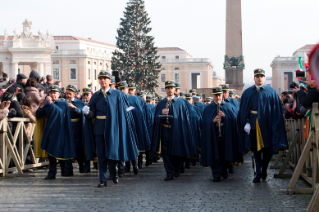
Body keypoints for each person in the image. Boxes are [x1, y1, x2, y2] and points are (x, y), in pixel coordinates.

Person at [84, 70, 139, 187]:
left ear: (110, 81)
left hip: (113, 129)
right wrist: (86, 113)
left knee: (113, 153)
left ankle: (114, 173)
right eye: (101, 78)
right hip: (99, 128)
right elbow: (92, 113)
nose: (103, 80)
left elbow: (124, 113)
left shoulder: (118, 95)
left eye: (105, 78)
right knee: (101, 155)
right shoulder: (96, 96)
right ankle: (103, 180)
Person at [237, 68, 288, 183]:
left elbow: (276, 111)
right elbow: (243, 110)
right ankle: (257, 173)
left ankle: (264, 168)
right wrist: (247, 122)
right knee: (255, 151)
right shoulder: (247, 92)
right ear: (254, 78)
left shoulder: (272, 92)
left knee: (268, 150)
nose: (259, 78)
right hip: (253, 125)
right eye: (257, 76)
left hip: (267, 126)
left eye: (261, 76)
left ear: (264, 78)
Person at [151, 80, 197, 181]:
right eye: (168, 88)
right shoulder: (161, 103)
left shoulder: (181, 103)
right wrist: (161, 113)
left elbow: (184, 119)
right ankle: (169, 172)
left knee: (176, 152)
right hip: (164, 131)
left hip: (176, 131)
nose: (169, 90)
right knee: (166, 153)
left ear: (174, 89)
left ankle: (177, 167)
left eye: (171, 88)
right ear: (166, 89)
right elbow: (155, 117)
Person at [201, 86, 240, 182]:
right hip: (213, 134)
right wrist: (212, 121)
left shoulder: (227, 106)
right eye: (216, 96)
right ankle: (216, 174)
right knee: (215, 154)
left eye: (219, 95)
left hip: (225, 133)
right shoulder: (208, 108)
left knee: (225, 153)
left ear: (222, 95)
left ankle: (224, 170)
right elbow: (203, 122)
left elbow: (234, 120)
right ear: (213, 96)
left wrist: (226, 117)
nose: (218, 97)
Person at [36, 85, 76, 179]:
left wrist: (51, 104)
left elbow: (60, 112)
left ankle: (64, 170)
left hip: (61, 131)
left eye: (55, 93)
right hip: (50, 131)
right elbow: (38, 115)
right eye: (51, 93)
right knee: (50, 152)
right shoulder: (47, 104)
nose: (53, 95)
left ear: (59, 94)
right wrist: (41, 106)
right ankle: (51, 172)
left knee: (61, 151)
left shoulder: (63, 104)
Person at [65, 84, 89, 173]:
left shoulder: (79, 103)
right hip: (67, 128)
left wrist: (74, 108)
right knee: (68, 148)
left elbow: (83, 113)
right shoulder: (63, 102)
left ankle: (81, 165)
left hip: (77, 128)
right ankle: (69, 169)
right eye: (67, 93)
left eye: (70, 94)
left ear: (74, 94)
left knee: (78, 149)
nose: (68, 95)